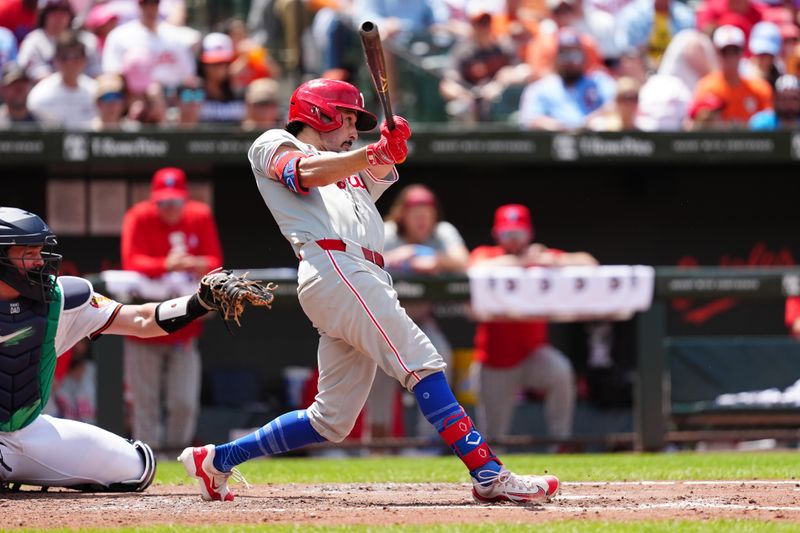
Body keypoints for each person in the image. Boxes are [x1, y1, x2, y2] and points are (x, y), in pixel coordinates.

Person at [179, 78, 560, 505]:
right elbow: (302, 173)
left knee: (331, 420)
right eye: (347, 121)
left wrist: (389, 148)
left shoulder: (345, 166)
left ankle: (217, 460)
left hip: (361, 274)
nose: (353, 131)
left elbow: (370, 178)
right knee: (422, 360)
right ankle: (487, 472)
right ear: (319, 114)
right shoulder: (275, 142)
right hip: (335, 266)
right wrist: (371, 152)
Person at [0, 206, 228, 491]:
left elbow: (142, 320)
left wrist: (198, 303)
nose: (38, 262)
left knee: (136, 468)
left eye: (38, 252)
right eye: (27, 254)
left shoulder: (61, 298)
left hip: (27, 431)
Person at [469, 204, 597, 445]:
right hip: (495, 360)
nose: (514, 239)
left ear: (529, 233)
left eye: (518, 233)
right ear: (497, 234)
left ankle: (560, 441)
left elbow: (589, 263)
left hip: (533, 354)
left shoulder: (540, 257)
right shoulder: (489, 255)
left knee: (560, 371)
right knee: (493, 440)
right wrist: (520, 262)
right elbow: (473, 268)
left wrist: (552, 260)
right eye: (508, 233)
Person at [121, 167, 223, 453]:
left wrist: (189, 262)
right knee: (146, 402)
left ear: (184, 198)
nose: (169, 208)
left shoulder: (199, 215)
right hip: (143, 326)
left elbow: (215, 261)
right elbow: (132, 261)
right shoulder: (139, 216)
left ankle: (179, 458)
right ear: (155, 200)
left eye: (175, 201)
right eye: (164, 202)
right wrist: (166, 264)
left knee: (183, 402)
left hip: (184, 328)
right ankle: (145, 459)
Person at [365, 184, 469, 443]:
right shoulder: (388, 232)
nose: (422, 219)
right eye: (416, 213)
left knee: (440, 357)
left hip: (420, 319)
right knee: (379, 372)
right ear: (403, 214)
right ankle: (377, 444)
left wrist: (435, 259)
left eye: (427, 212)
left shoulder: (442, 233)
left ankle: (428, 442)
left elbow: (463, 261)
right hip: (385, 320)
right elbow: (359, 263)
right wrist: (399, 256)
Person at [518, 28, 616, 131]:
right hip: (555, 142)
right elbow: (530, 119)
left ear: (584, 57)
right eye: (564, 55)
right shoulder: (540, 88)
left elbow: (616, 106)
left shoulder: (599, 81)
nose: (570, 61)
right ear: (556, 58)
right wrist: (562, 128)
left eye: (575, 55)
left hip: (595, 142)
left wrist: (591, 121)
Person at [691, 25, 773, 127]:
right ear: (717, 53)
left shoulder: (760, 88)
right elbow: (695, 125)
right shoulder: (706, 87)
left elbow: (771, 126)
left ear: (742, 52)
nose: (731, 57)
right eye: (725, 51)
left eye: (735, 51)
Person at [26, 30, 97, 129]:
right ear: (55, 60)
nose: (70, 63)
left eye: (76, 57)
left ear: (85, 59)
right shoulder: (40, 95)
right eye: (64, 58)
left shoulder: (95, 92)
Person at [16, 0, 101, 82]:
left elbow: (96, 73)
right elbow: (36, 75)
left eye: (63, 11)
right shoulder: (33, 42)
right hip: (48, 94)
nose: (59, 17)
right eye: (53, 12)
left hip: (84, 93)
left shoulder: (87, 40)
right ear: (43, 15)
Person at [0, 62, 36, 127]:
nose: (19, 89)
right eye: (13, 84)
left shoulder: (45, 123)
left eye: (23, 84)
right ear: (2, 89)